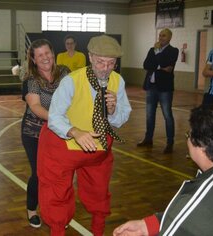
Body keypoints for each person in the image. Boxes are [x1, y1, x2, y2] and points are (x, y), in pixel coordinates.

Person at [38, 35, 131, 235]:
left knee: (99, 192)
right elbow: (54, 117)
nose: (105, 68)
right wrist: (75, 132)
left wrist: (114, 110)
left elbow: (122, 118)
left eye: (111, 63)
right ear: (90, 57)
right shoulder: (71, 81)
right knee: (57, 194)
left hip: (97, 149)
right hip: (62, 146)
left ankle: (98, 231)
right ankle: (57, 231)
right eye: (100, 62)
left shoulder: (118, 81)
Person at [113, 103, 213, 236]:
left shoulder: (204, 195)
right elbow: (185, 218)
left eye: (189, 134)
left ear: (201, 145)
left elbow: (190, 218)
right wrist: (148, 225)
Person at [21, 39, 70, 228]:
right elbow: (34, 106)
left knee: (60, 174)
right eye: (40, 55)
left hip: (59, 132)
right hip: (34, 132)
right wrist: (58, 120)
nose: (45, 58)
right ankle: (32, 210)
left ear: (53, 53)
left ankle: (56, 212)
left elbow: (75, 94)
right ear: (33, 59)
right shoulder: (30, 80)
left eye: (47, 53)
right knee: (40, 174)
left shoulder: (65, 72)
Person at [137, 28, 179, 154]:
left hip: (165, 88)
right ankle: (148, 138)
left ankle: (170, 142)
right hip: (151, 86)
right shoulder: (152, 49)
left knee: (167, 115)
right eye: (160, 35)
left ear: (170, 37)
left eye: (164, 36)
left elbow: (167, 64)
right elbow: (146, 65)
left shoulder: (173, 51)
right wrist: (161, 66)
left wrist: (158, 56)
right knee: (150, 115)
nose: (161, 38)